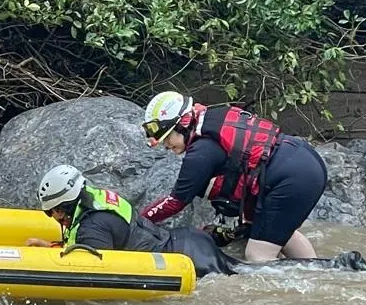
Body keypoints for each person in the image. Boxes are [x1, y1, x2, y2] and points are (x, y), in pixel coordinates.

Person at [138, 91, 327, 262]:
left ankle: (297, 289)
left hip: (292, 176)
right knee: (276, 233)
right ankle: (323, 272)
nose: (166, 146)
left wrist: (138, 222)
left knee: (257, 255)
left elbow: (175, 201)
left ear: (183, 124)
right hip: (304, 161)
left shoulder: (201, 151)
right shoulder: (211, 121)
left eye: (167, 138)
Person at [27, 165, 236, 278]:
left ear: (64, 206)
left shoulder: (91, 227)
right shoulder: (96, 199)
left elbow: (95, 276)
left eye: (51, 212)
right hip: (190, 240)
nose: (53, 218)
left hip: (186, 259)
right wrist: (52, 247)